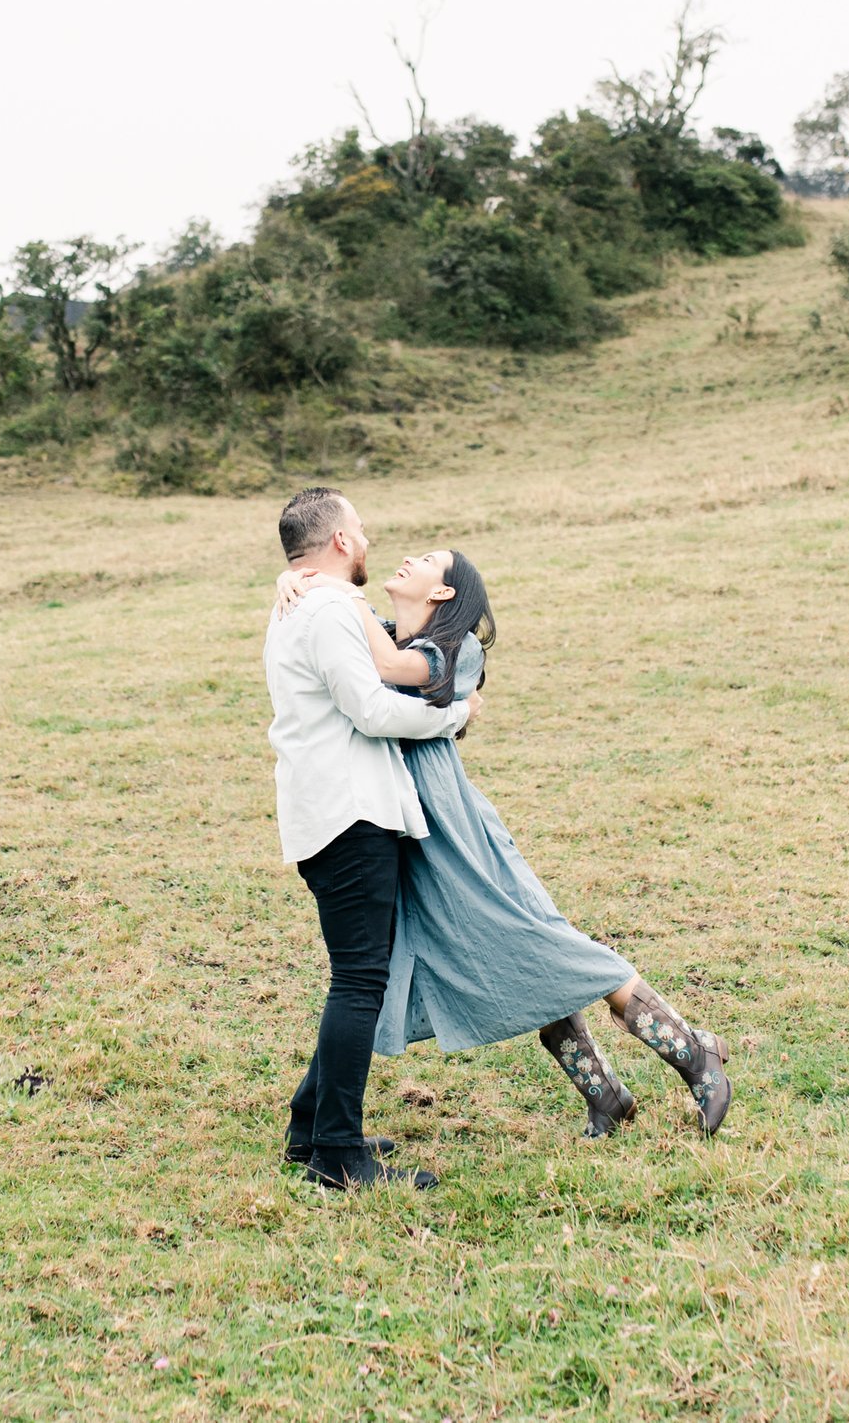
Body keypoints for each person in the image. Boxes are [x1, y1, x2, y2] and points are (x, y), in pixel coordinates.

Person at [274, 547, 733, 1140]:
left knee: (535, 940)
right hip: (407, 826)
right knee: (518, 952)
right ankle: (606, 1095)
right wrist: (299, 582)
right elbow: (352, 651)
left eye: (427, 560)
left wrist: (330, 591)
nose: (407, 558)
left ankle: (696, 1053)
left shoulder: (454, 651)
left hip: (454, 828)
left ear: (443, 594)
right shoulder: (382, 632)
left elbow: (388, 669)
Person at [263, 487, 479, 1191]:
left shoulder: (304, 604)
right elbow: (371, 708)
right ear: (340, 544)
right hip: (349, 815)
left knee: (358, 975)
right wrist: (456, 716)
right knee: (359, 981)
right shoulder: (325, 608)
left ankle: (310, 1128)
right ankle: (338, 1153)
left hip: (332, 811)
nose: (370, 536)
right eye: (360, 528)